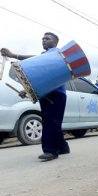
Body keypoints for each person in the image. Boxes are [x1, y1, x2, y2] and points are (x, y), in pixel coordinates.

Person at [1, 32, 70, 161]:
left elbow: (34, 60)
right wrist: (26, 90)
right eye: (42, 38)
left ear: (55, 42)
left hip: (55, 94)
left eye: (47, 39)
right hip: (50, 93)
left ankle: (51, 151)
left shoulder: (56, 54)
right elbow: (40, 78)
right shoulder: (48, 56)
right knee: (53, 121)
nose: (43, 40)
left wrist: (13, 55)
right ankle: (62, 147)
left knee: (50, 122)